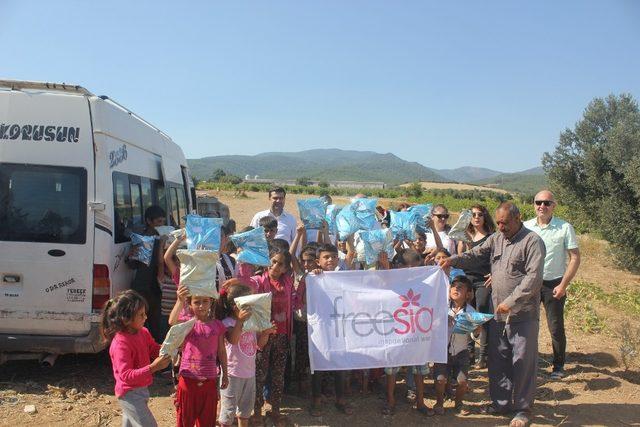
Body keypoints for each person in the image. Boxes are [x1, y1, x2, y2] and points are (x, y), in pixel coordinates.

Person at [439, 202, 545, 427]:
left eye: (505, 223)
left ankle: (523, 410)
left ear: (518, 218)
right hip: (499, 315)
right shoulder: (497, 238)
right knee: (499, 361)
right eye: (498, 222)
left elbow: (533, 279)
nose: (501, 227)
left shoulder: (532, 241)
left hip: (522, 315)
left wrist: (511, 302)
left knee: (523, 363)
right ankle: (500, 404)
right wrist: (452, 260)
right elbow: (476, 254)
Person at [524, 190, 580, 380]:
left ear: (553, 205)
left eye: (547, 203)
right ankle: (529, 364)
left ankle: (558, 366)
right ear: (533, 204)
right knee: (528, 325)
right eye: (538, 202)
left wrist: (563, 284)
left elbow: (575, 257)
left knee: (555, 327)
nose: (542, 206)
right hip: (530, 283)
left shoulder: (564, 227)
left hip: (554, 284)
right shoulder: (525, 227)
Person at [101, 290, 171, 427]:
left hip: (140, 389)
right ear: (126, 319)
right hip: (129, 394)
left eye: (144, 313)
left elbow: (153, 349)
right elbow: (126, 375)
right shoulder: (120, 344)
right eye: (141, 315)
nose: (145, 317)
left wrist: (170, 348)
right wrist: (154, 367)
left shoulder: (143, 332)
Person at [248, 248, 296, 426]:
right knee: (259, 374)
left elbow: (296, 299)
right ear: (268, 261)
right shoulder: (259, 281)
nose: (276, 266)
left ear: (285, 268)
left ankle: (275, 410)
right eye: (273, 261)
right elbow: (247, 284)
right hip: (263, 335)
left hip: (282, 336)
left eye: (280, 264)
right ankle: (257, 411)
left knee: (278, 375)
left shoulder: (288, 282)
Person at [218, 284, 277, 427]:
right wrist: (240, 321)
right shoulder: (226, 323)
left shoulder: (252, 323)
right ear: (235, 305)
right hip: (232, 375)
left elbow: (260, 345)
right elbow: (233, 339)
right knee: (228, 413)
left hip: (249, 374)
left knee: (245, 411)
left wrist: (265, 333)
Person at [169, 285, 229, 427]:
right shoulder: (187, 324)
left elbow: (221, 351)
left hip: (209, 381)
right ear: (190, 304)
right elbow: (172, 322)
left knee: (207, 421)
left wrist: (225, 373)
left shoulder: (218, 326)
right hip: (188, 381)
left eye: (205, 301)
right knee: (185, 420)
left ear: (211, 302)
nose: (201, 306)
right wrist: (179, 300)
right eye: (196, 302)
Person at [383, 249, 431, 417]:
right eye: (411, 269)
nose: (414, 273)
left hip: (417, 333)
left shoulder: (424, 284)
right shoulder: (392, 284)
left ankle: (420, 402)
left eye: (418, 269)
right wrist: (385, 267)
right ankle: (390, 401)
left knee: (418, 370)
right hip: (395, 333)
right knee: (392, 370)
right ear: (400, 267)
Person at [309, 243, 353, 417]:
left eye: (334, 257)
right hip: (320, 328)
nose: (330, 260)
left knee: (340, 365)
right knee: (318, 365)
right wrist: (314, 276)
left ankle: (341, 399)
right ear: (318, 261)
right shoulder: (313, 277)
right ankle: (316, 401)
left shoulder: (343, 276)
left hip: (340, 328)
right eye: (326, 257)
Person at [458, 204, 496, 369]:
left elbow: (497, 258)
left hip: (483, 280)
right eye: (473, 214)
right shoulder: (465, 236)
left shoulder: (492, 237)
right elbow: (461, 258)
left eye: (480, 214)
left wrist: (495, 274)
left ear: (484, 216)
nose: (476, 217)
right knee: (468, 315)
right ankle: (469, 354)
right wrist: (464, 245)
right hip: (467, 279)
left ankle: (484, 356)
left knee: (482, 313)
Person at [432, 275, 476, 416]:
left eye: (460, 287)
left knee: (462, 382)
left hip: (461, 351)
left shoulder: (471, 312)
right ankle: (439, 402)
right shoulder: (442, 308)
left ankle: (458, 403)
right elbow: (431, 325)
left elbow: (474, 335)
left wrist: (477, 330)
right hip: (442, 350)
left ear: (468, 294)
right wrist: (442, 320)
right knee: (440, 380)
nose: (455, 288)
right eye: (453, 286)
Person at [127, 205, 166, 343]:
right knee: (139, 322)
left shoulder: (164, 240)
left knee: (155, 324)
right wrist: (131, 254)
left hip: (156, 288)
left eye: (163, 222)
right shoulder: (141, 240)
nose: (161, 225)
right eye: (158, 222)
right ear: (149, 221)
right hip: (142, 288)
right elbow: (132, 264)